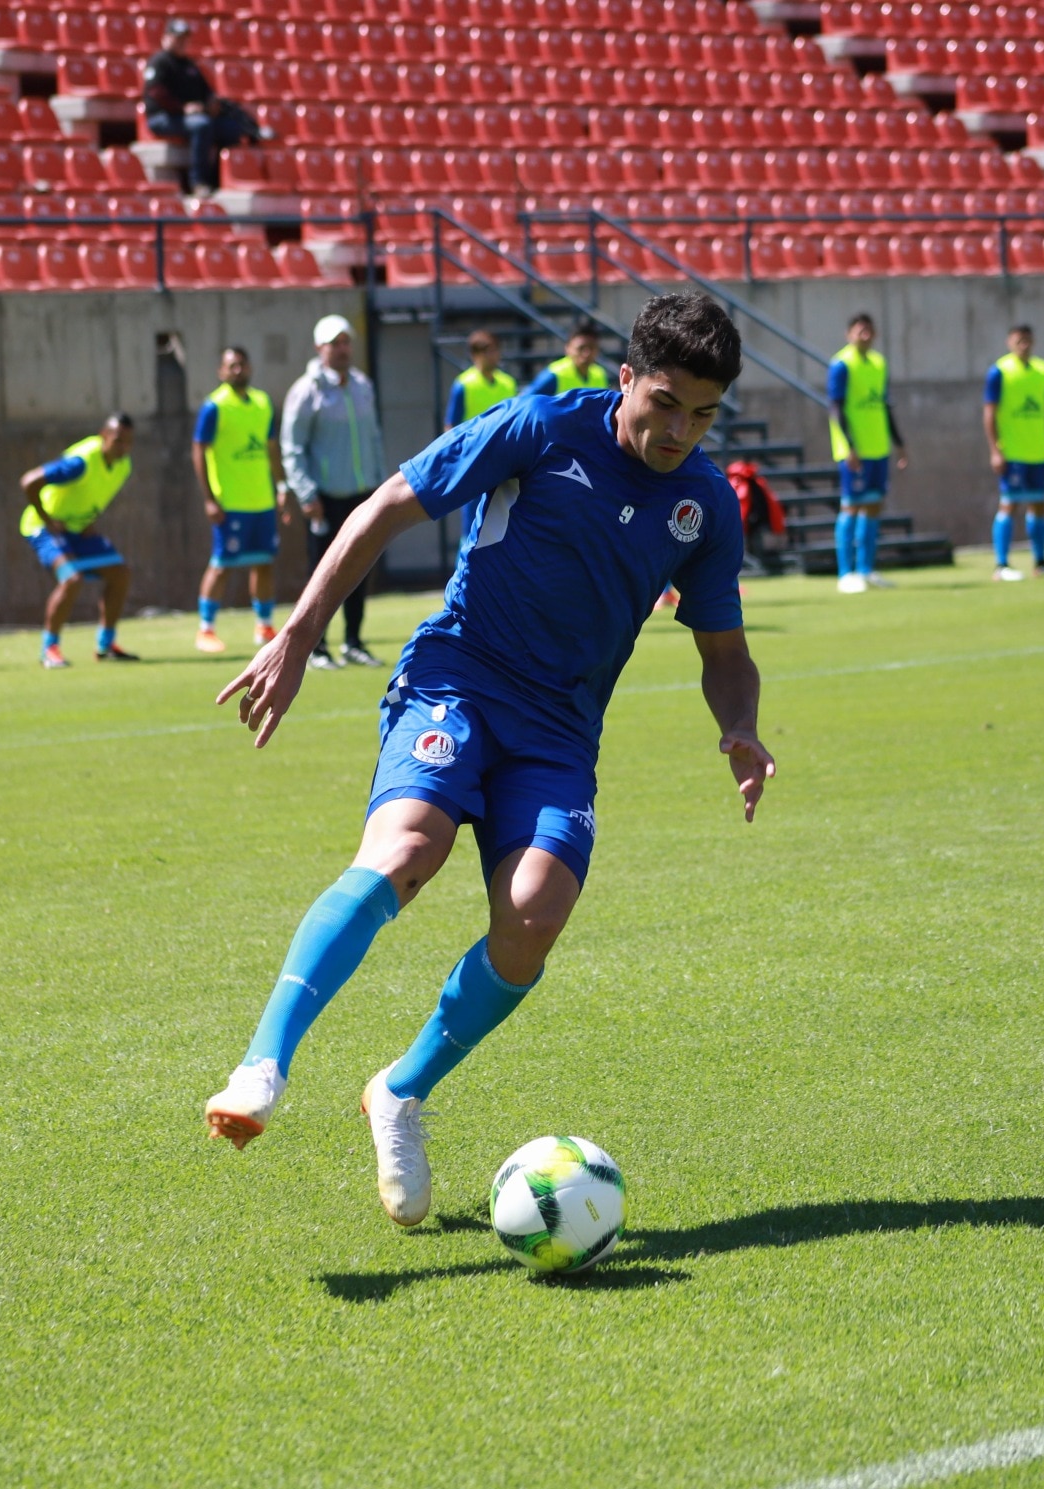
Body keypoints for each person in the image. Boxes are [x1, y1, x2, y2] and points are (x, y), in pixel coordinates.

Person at [201, 294, 774, 1228]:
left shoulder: (704, 503)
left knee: (534, 916)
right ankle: (263, 1063)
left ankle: (399, 1090)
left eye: (704, 415)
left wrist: (739, 727)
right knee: (404, 851)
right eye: (666, 403)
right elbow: (389, 504)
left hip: (559, 731)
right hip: (458, 679)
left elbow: (724, 653)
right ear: (625, 378)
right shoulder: (540, 425)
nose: (681, 431)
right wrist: (299, 635)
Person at [281, 313, 388, 673]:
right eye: (335, 343)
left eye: (346, 342)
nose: (343, 350)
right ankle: (316, 646)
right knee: (322, 573)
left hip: (362, 494)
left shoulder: (362, 385)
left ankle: (353, 641)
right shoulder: (305, 390)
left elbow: (372, 437)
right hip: (324, 498)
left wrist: (379, 484)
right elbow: (292, 448)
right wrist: (306, 494)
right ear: (319, 348)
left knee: (360, 566)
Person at [191, 346, 291, 655]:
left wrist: (281, 487)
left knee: (263, 563)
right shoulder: (214, 406)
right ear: (221, 372)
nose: (238, 370)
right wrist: (209, 498)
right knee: (221, 565)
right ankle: (206, 629)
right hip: (230, 503)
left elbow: (271, 448)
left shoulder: (262, 403)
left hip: (261, 501)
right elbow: (198, 450)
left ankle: (264, 626)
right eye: (231, 366)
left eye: (242, 364)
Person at [21, 413, 139, 669]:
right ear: (103, 436)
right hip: (42, 528)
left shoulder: (123, 465)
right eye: (118, 441)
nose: (124, 447)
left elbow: (92, 494)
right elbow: (29, 482)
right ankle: (49, 649)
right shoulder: (80, 462)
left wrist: (87, 521)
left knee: (120, 573)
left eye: (129, 442)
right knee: (72, 578)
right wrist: (48, 520)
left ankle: (105, 646)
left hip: (75, 529)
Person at [827, 311, 905, 594]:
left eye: (869, 330)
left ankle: (866, 569)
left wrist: (899, 443)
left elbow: (884, 405)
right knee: (850, 506)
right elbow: (836, 408)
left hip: (878, 448)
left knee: (873, 507)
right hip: (854, 451)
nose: (865, 335)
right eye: (860, 330)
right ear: (849, 334)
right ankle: (845, 573)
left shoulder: (879, 363)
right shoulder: (841, 364)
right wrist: (849, 446)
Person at [982, 323, 1044, 581]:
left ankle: (1040, 562)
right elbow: (989, 414)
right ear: (1009, 342)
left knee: (1039, 505)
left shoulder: (1043, 371)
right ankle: (1001, 565)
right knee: (1009, 504)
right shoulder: (999, 371)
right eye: (1019, 340)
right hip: (1013, 453)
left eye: (1028, 340)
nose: (1024, 345)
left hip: (1039, 452)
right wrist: (995, 450)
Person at [141, 17, 255, 196]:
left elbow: (207, 91)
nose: (181, 42)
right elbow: (156, 93)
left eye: (184, 38)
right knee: (201, 125)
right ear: (166, 38)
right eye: (177, 37)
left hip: (190, 117)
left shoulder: (189, 65)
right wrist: (183, 108)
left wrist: (212, 104)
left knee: (231, 129)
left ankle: (217, 179)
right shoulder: (159, 61)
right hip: (163, 118)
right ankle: (198, 182)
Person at [444, 329, 517, 432]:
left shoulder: (509, 383)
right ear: (475, 355)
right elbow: (450, 427)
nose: (493, 356)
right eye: (488, 352)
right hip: (474, 447)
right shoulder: (463, 384)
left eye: (495, 350)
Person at [524, 321, 612, 397]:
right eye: (581, 348)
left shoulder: (600, 375)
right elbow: (523, 402)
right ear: (568, 348)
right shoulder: (554, 375)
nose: (586, 353)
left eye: (591, 348)